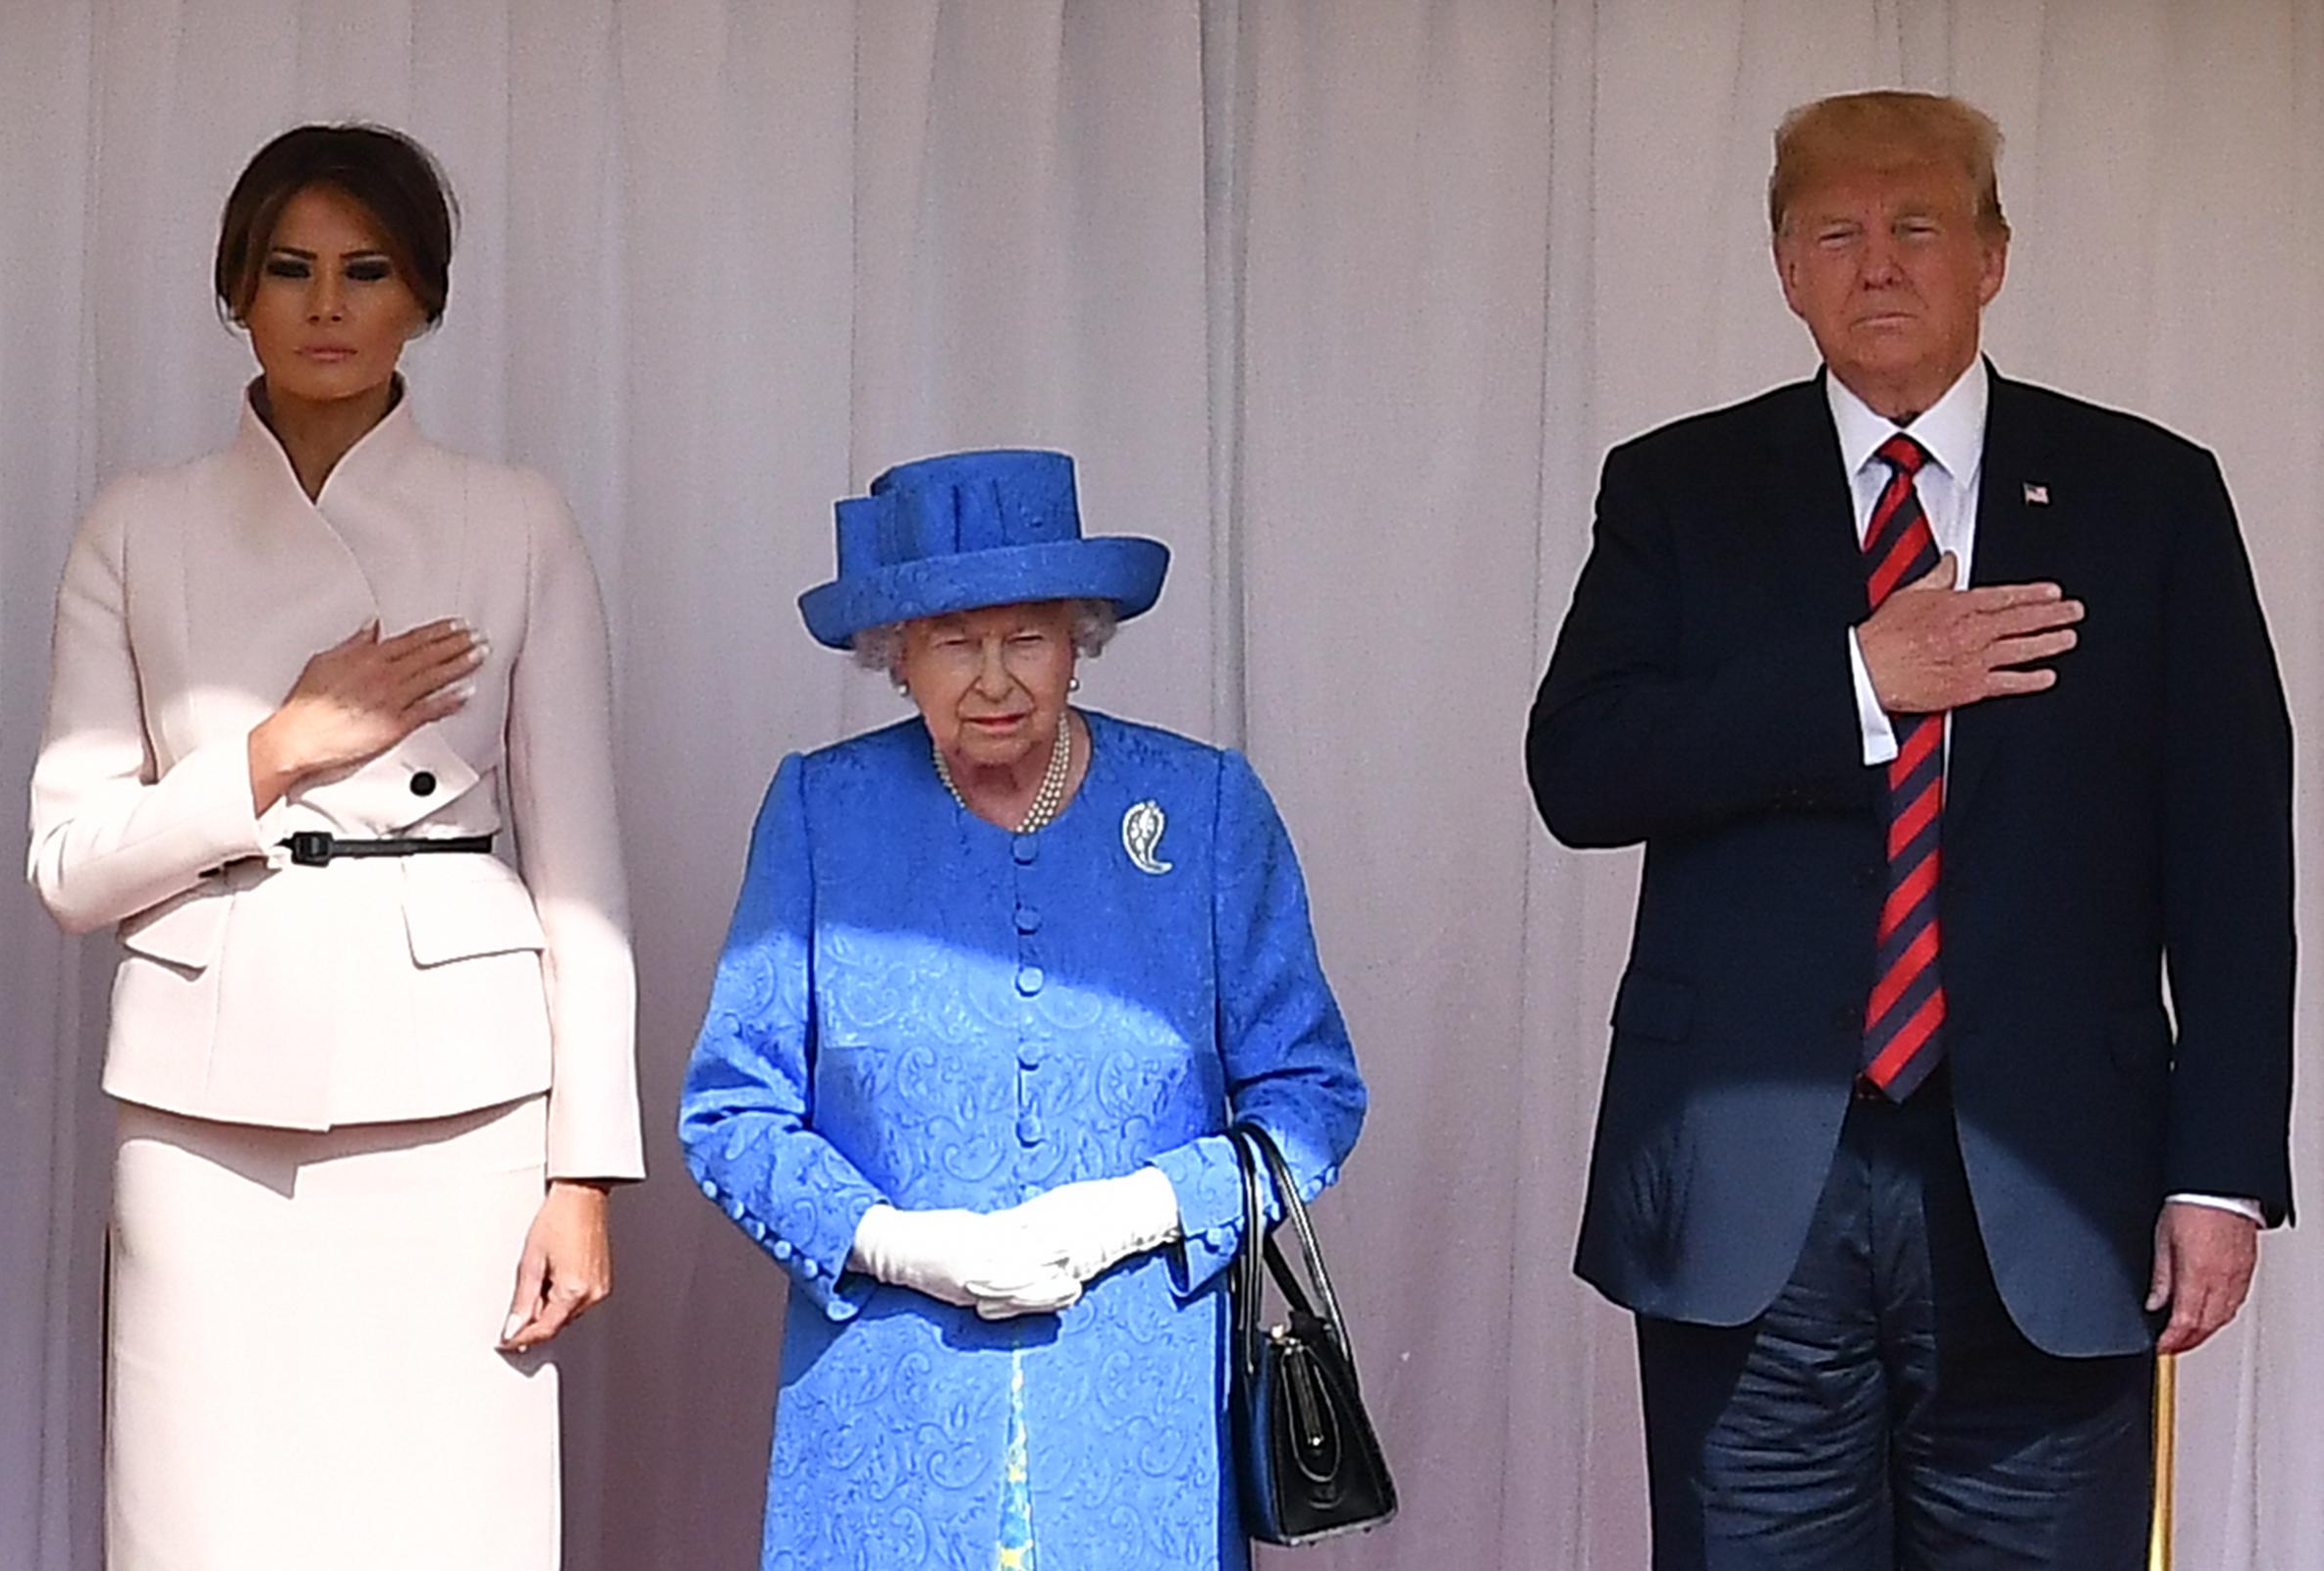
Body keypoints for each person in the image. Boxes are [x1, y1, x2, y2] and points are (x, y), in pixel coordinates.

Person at [1526, 90, 2293, 1569]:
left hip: (2058, 1190)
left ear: (1993, 258)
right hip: (1753, 1202)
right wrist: (1858, 679)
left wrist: (2219, 1170)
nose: (1879, 264)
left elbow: (2234, 860)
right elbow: (1581, 772)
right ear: (1785, 268)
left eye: (1918, 226)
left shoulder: (2151, 498)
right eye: (1838, 232)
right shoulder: (1679, 489)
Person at [27, 124, 640, 1571]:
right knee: (200, 1525)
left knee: (450, 1522)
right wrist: (277, 746)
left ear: (422, 298)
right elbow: (68, 869)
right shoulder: (139, 525)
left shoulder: (518, 518)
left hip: (469, 1108)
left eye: (366, 271)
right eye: (288, 269)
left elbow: (585, 876)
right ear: (235, 291)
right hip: (201, 1113)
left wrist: (584, 1174)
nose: (325, 305)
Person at [679, 448, 1367, 1571]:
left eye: (1027, 638)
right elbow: (730, 1113)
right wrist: (897, 1244)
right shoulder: (822, 811)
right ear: (896, 656)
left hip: (1137, 1422)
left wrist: (1139, 1210)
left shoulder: (1202, 810)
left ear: (1080, 641)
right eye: (954, 641)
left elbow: (1312, 1096)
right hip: (885, 1419)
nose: (993, 679)